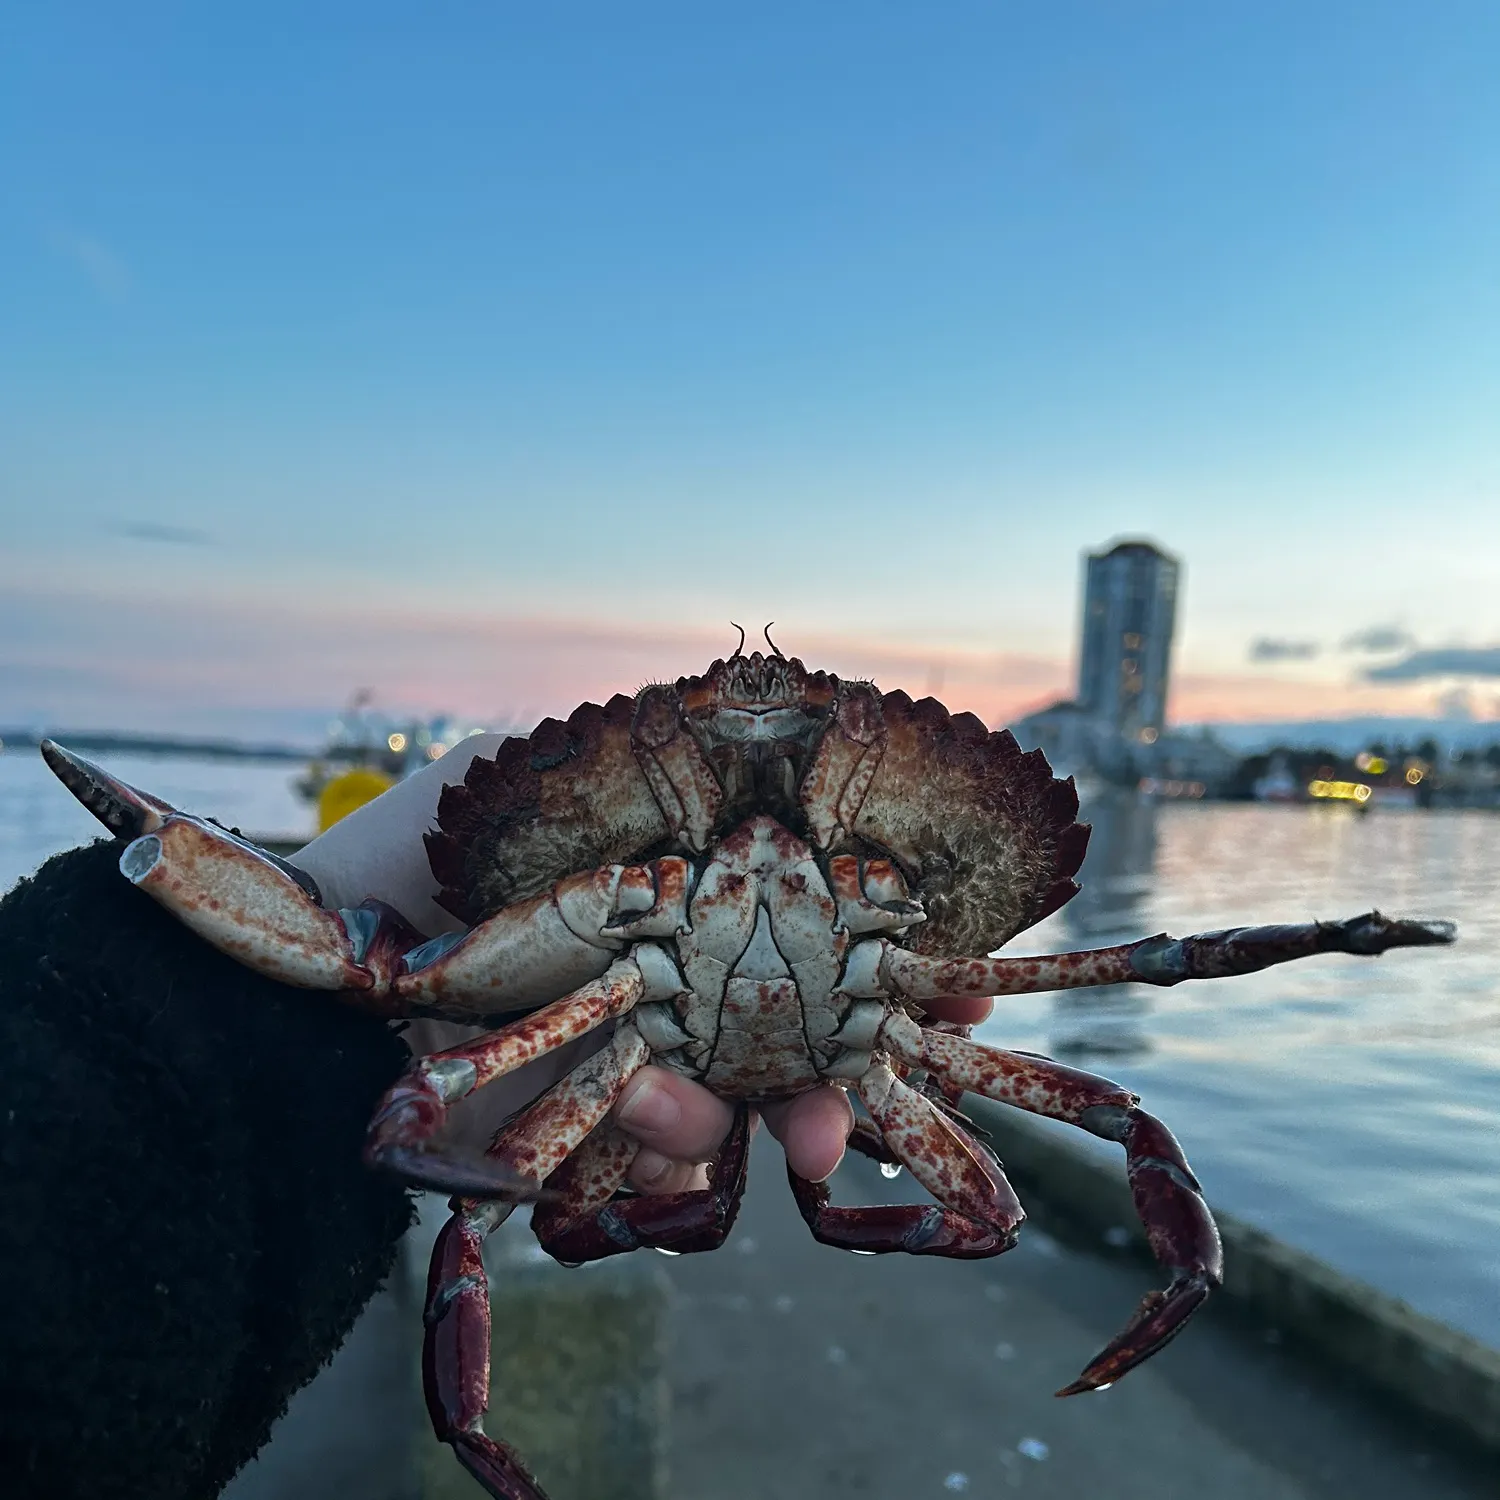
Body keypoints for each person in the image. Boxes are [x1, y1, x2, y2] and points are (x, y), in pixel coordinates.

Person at [1, 736, 993, 1499]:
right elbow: (385, 980)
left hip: (613, 1031)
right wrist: (341, 926)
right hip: (565, 1011)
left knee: (984, 1190)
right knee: (510, 1214)